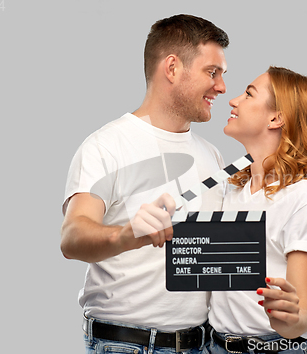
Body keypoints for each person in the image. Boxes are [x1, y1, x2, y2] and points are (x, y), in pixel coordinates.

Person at [60, 14, 229, 353]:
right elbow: (72, 237)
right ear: (172, 68)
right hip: (127, 345)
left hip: (202, 343)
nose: (222, 87)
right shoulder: (106, 146)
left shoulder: (213, 156)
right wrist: (126, 234)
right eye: (212, 73)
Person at [206, 66, 307, 354]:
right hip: (214, 346)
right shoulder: (232, 187)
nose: (233, 100)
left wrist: (289, 317)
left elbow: (304, 311)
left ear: (276, 118)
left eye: (249, 94)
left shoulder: (306, 197)